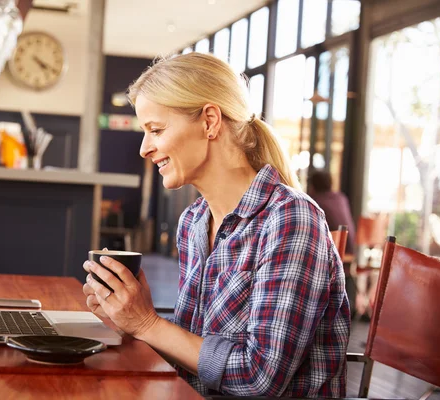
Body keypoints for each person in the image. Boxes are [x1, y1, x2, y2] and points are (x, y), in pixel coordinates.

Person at [82, 53, 350, 397]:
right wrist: (129, 318)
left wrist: (148, 323)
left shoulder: (291, 219)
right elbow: (196, 346)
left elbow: (258, 378)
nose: (145, 149)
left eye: (156, 130)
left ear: (210, 121)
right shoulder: (194, 221)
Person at [308, 170, 358, 318]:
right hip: (349, 251)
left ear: (313, 186)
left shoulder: (314, 201)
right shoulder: (341, 198)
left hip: (334, 257)